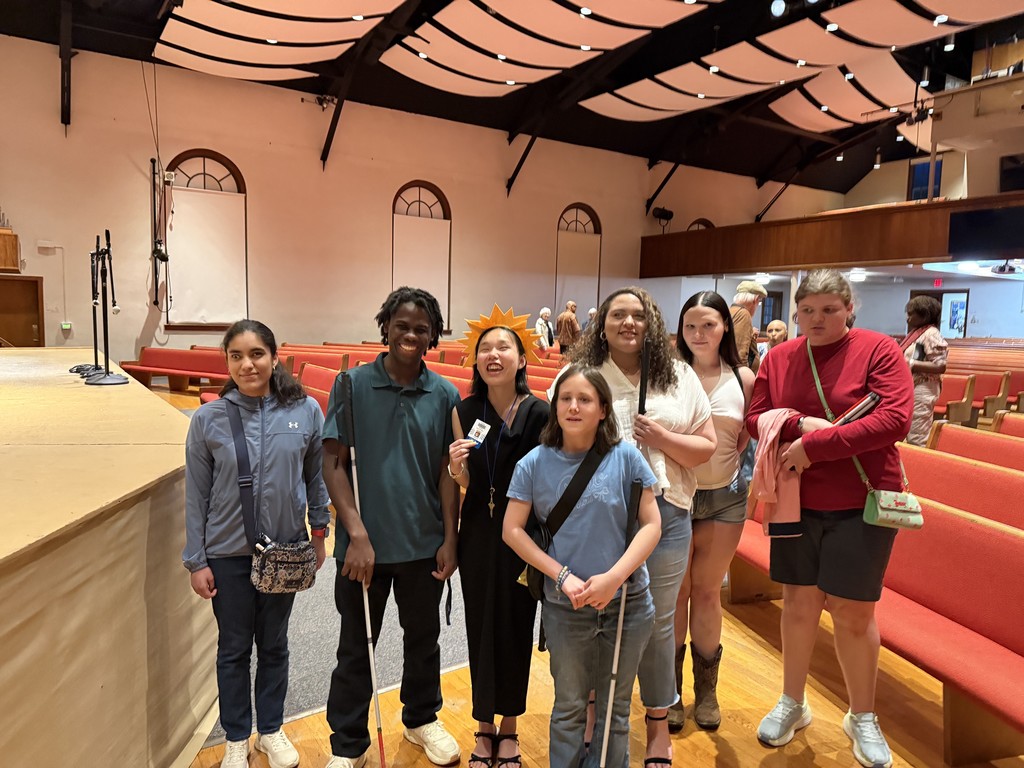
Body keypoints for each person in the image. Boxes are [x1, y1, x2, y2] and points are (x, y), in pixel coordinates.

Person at [746, 269, 913, 768]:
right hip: (795, 496)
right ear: (796, 313)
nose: (817, 320)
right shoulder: (779, 357)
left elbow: (894, 420)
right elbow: (758, 416)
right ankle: (793, 702)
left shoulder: (879, 349)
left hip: (862, 500)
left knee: (853, 614)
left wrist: (814, 447)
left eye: (829, 310)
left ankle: (862, 715)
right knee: (797, 604)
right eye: (808, 311)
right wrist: (798, 423)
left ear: (849, 309)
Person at [562, 287, 715, 765]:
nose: (628, 323)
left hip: (665, 514)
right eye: (617, 315)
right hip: (596, 516)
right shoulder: (580, 375)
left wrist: (663, 437)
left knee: (657, 621)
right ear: (602, 324)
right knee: (592, 616)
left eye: (637, 315)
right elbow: (560, 445)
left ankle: (656, 727)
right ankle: (593, 716)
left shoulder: (679, 376)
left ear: (650, 322)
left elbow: (706, 447)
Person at [321, 287, 461, 768]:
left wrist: (450, 537)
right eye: (402, 325)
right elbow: (333, 464)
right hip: (364, 552)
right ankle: (348, 744)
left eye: (422, 328)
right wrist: (355, 534)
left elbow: (446, 472)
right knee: (357, 647)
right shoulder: (351, 387)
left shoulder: (444, 394)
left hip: (422, 546)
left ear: (433, 337)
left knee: (423, 642)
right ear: (386, 327)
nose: (411, 334)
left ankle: (421, 719)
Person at [184, 319, 331, 768]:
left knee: (274, 644)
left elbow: (316, 477)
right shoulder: (208, 419)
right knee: (233, 648)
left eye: (256, 354)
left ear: (274, 357)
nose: (247, 364)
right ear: (227, 362)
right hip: (227, 554)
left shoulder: (305, 411)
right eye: (236, 356)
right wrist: (195, 560)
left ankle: (269, 730)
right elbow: (196, 495)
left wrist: (320, 531)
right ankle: (235, 737)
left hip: (285, 549)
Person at [504, 365, 662, 768]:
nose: (573, 407)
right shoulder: (534, 463)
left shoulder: (625, 456)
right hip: (566, 605)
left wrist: (614, 577)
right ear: (555, 406)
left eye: (585, 399)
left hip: (627, 601)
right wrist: (561, 576)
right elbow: (512, 531)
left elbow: (652, 524)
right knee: (570, 706)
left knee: (616, 708)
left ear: (603, 410)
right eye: (565, 399)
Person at [447, 312, 549, 768]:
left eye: (504, 347)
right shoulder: (465, 411)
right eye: (485, 348)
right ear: (475, 359)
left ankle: (509, 727)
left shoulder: (540, 411)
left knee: (514, 626)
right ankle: (483, 725)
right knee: (480, 627)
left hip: (522, 536)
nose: (494, 355)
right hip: (479, 532)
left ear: (521, 358)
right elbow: (465, 480)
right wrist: (456, 468)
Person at [672, 291, 755, 732]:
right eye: (690, 326)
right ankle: (669, 694)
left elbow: (745, 438)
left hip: (724, 497)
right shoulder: (671, 374)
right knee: (675, 595)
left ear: (725, 326)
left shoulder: (742, 378)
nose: (699, 334)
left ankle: (706, 692)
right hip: (674, 497)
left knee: (706, 593)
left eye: (708, 324)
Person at [901, 296, 947, 446]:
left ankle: (920, 464)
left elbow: (940, 366)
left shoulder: (931, 334)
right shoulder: (918, 332)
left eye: (911, 314)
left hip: (923, 389)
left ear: (924, 315)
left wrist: (911, 363)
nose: (908, 318)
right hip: (912, 387)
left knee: (917, 435)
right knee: (908, 431)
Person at [731, 281, 767, 373]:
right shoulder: (743, 314)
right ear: (755, 299)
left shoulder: (731, 310)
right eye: (759, 302)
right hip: (739, 377)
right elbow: (740, 355)